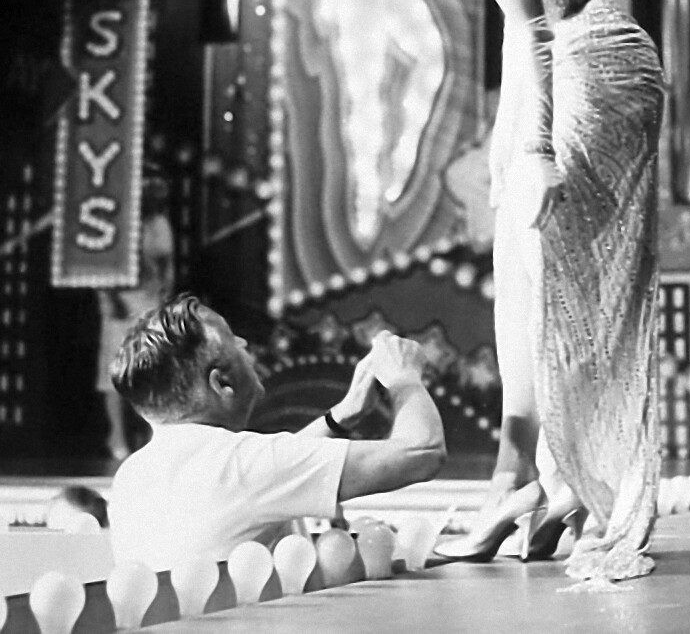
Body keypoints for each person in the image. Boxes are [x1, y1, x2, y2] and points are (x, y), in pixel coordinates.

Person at [291, 0, 665, 582]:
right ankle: (523, 480)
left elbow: (537, 30)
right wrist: (508, 141)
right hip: (559, 70)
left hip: (596, 65)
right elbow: (515, 33)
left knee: (562, 282)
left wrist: (535, 153)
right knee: (521, 272)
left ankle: (569, 484)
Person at [108, 294, 445, 571]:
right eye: (233, 340)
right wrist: (404, 379)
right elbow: (422, 453)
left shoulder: (131, 477)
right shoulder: (241, 464)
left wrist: (340, 418)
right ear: (221, 383)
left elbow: (261, 475)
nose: (244, 343)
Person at [96, 169, 175, 461]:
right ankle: (116, 434)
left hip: (150, 300)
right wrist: (106, 297)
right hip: (120, 302)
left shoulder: (159, 224)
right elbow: (100, 262)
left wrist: (165, 297)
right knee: (114, 371)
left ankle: (153, 432)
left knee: (152, 369)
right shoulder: (115, 222)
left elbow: (167, 264)